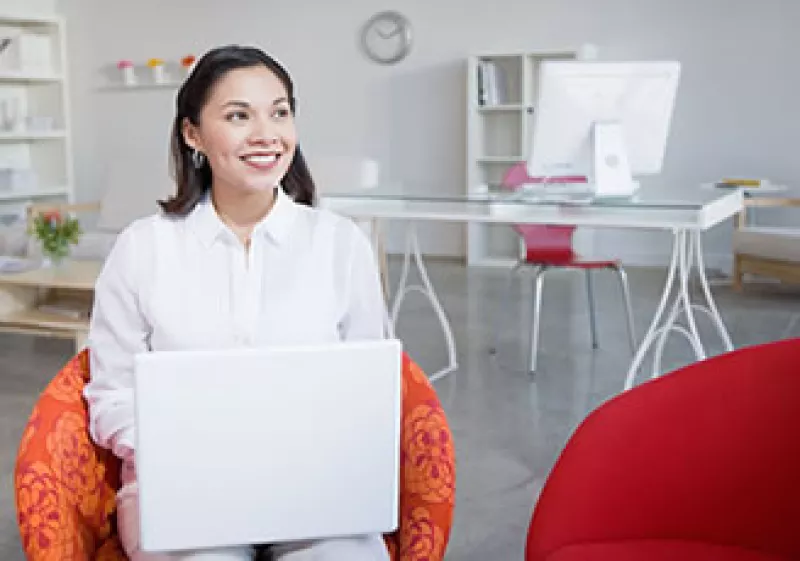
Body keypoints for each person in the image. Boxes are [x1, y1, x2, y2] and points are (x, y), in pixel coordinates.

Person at [83, 45, 390, 561]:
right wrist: (180, 452)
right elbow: (111, 394)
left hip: (316, 485)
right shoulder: (143, 248)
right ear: (192, 134)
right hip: (182, 487)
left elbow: (371, 387)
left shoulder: (341, 244)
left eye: (280, 112)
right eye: (238, 116)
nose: (266, 134)